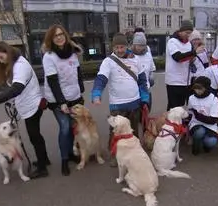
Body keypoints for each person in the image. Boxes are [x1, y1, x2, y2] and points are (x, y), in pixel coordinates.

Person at [0, 41, 49, 178]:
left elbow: (17, 88)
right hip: (27, 105)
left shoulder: (20, 65)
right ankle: (44, 160)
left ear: (8, 52)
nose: (1, 61)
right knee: (36, 136)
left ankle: (43, 168)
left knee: (34, 136)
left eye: (1, 57)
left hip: (33, 105)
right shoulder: (14, 64)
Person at [91, 33, 149, 167]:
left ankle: (134, 153)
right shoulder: (108, 61)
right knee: (115, 133)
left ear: (127, 46)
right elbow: (101, 79)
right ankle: (114, 155)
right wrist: (96, 94)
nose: (119, 50)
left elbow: (142, 81)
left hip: (135, 102)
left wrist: (144, 98)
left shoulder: (136, 60)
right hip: (117, 105)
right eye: (116, 47)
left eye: (122, 47)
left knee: (133, 132)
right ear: (113, 47)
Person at [41, 24, 85, 176]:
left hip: (74, 96)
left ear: (65, 36)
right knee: (65, 127)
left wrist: (81, 91)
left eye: (61, 34)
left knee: (73, 126)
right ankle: (64, 159)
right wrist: (62, 103)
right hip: (58, 98)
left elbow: (78, 72)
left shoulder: (73, 53)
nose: (59, 37)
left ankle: (71, 154)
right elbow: (53, 81)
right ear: (51, 39)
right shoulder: (49, 57)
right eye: (55, 35)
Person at [165, 20, 205, 110]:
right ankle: (170, 123)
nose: (188, 35)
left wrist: (193, 59)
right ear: (180, 31)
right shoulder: (172, 42)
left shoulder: (188, 44)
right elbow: (178, 58)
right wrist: (194, 52)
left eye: (190, 33)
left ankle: (181, 123)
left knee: (182, 107)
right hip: (174, 81)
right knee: (174, 108)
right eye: (186, 32)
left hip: (186, 81)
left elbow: (189, 59)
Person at [187, 82, 218, 155]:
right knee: (199, 132)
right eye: (196, 89)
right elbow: (189, 113)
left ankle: (206, 146)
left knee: (211, 141)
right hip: (196, 123)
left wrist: (197, 115)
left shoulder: (214, 99)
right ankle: (195, 146)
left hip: (210, 125)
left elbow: (213, 120)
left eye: (200, 89)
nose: (198, 91)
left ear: (206, 88)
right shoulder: (191, 98)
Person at [131, 32, 156, 111]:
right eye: (138, 45)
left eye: (142, 45)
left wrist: (151, 77)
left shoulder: (148, 55)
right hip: (134, 90)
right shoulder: (129, 56)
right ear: (134, 45)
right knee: (136, 113)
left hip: (146, 88)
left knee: (146, 111)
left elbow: (152, 68)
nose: (140, 48)